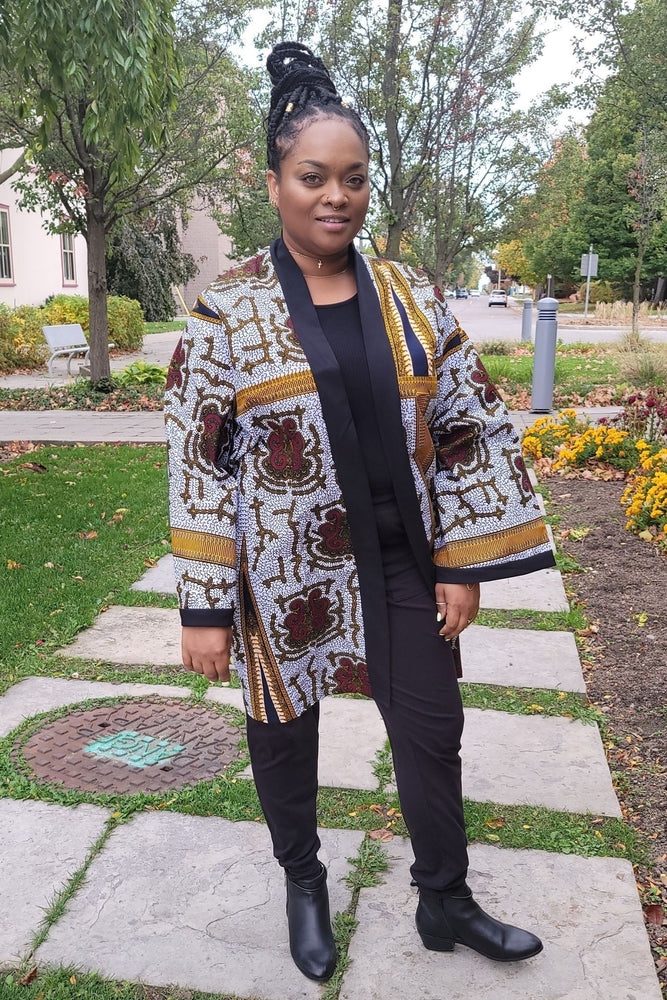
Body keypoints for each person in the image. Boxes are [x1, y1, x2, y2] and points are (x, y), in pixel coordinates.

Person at [165, 41, 555, 984]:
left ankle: (444, 898)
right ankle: (303, 883)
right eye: (312, 177)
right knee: (282, 730)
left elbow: (467, 426)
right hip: (283, 573)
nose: (334, 197)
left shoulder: (412, 296)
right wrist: (205, 605)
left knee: (432, 727)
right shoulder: (226, 313)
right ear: (273, 185)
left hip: (404, 560)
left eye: (353, 178)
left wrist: (461, 562)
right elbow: (199, 462)